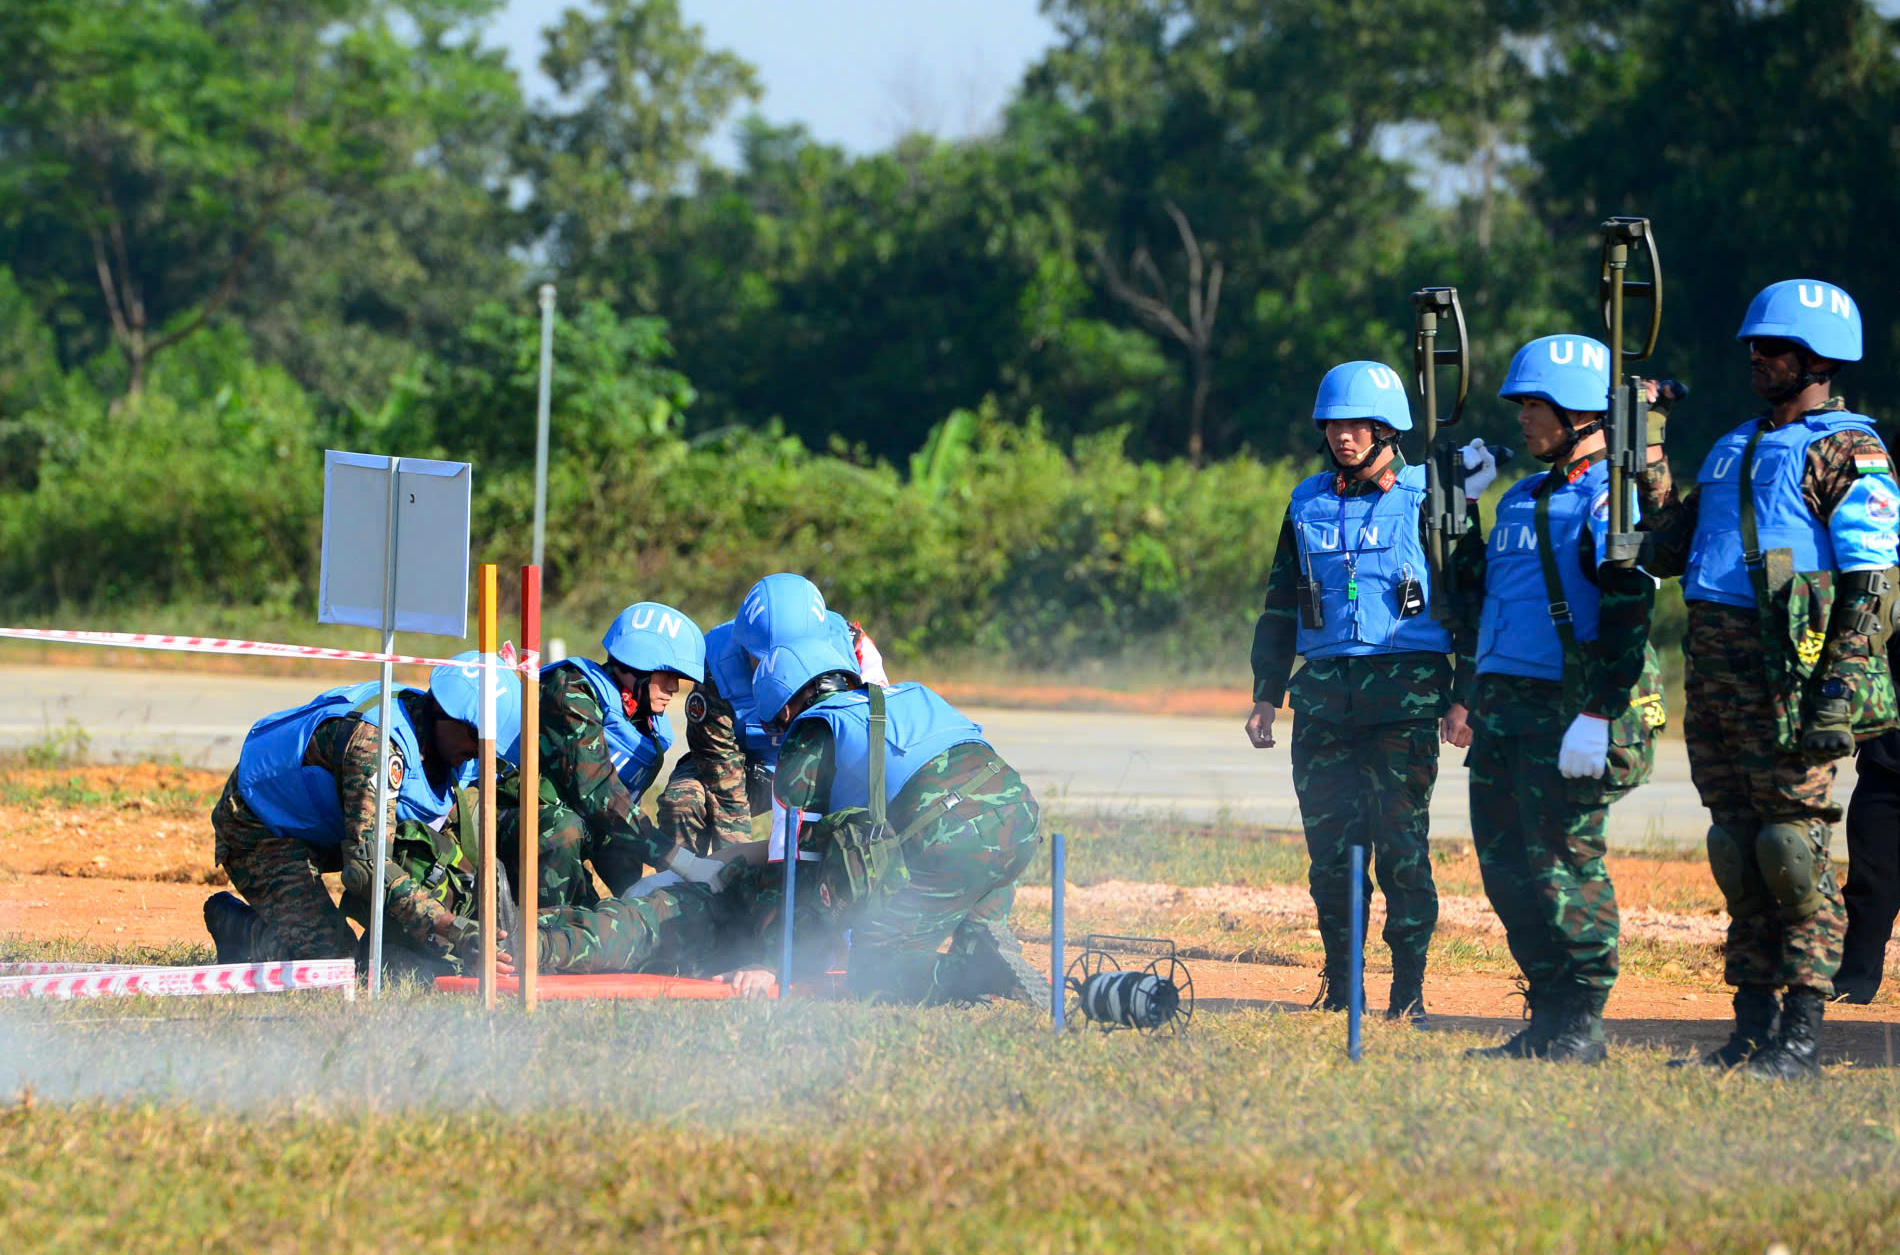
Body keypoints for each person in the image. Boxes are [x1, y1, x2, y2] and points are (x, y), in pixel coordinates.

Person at [1638, 280, 1899, 1075]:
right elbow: (1668, 548)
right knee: (1738, 849)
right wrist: (1649, 447)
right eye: (1755, 345)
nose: (1758, 357)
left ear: (1818, 360)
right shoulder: (1730, 445)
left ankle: (1801, 1035)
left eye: (1775, 347)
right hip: (1716, 673)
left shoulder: (1851, 450)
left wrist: (1836, 692)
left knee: (1793, 850)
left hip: (1795, 677)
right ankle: (1748, 1028)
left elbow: (1873, 584)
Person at [1244, 360, 1491, 1023]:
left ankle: (1406, 993)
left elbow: (1474, 602)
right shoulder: (1306, 502)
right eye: (1333, 424)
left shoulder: (1436, 500)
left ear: (1387, 429)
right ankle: (1341, 983)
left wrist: (1465, 695)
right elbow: (1278, 602)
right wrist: (1267, 691)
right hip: (1322, 703)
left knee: (1402, 854)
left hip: (1405, 704)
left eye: (1357, 425)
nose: (1342, 435)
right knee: (1331, 858)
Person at [1459, 334, 1661, 1065]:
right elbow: (1472, 597)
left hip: (1569, 706)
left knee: (1563, 864)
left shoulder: (1612, 496)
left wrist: (1602, 709)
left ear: (1579, 412)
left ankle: (1581, 1020)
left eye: (1533, 404)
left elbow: (1629, 609)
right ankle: (1548, 1012)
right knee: (1506, 864)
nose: (1521, 418)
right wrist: (1460, 509)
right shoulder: (1521, 496)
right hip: (1505, 711)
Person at [718, 633, 1044, 1004]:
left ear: (787, 709)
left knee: (875, 971)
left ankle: (977, 974)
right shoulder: (914, 694)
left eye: (777, 724)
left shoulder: (813, 730)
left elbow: (796, 862)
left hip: (952, 840)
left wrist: (774, 959)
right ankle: (980, 943)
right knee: (953, 930)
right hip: (1020, 823)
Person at [201, 651, 522, 969]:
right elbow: (368, 869)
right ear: (441, 709)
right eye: (475, 738)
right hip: (261, 829)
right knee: (334, 964)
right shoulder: (375, 748)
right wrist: (452, 927)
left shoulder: (453, 742)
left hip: (330, 825)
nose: (477, 752)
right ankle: (241, 930)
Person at [497, 600, 726, 910]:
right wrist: (678, 859)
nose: (675, 687)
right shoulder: (572, 694)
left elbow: (621, 810)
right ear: (638, 665)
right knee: (563, 831)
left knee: (626, 880)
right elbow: (599, 794)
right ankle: (545, 937)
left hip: (586, 824)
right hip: (524, 822)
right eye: (668, 675)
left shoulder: (648, 724)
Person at [657, 572, 889, 856]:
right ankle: (683, 891)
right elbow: (723, 781)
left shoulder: (854, 650)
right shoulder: (717, 670)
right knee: (683, 801)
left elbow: (874, 747)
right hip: (748, 766)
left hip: (823, 768)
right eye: (764, 660)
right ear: (744, 645)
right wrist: (732, 870)